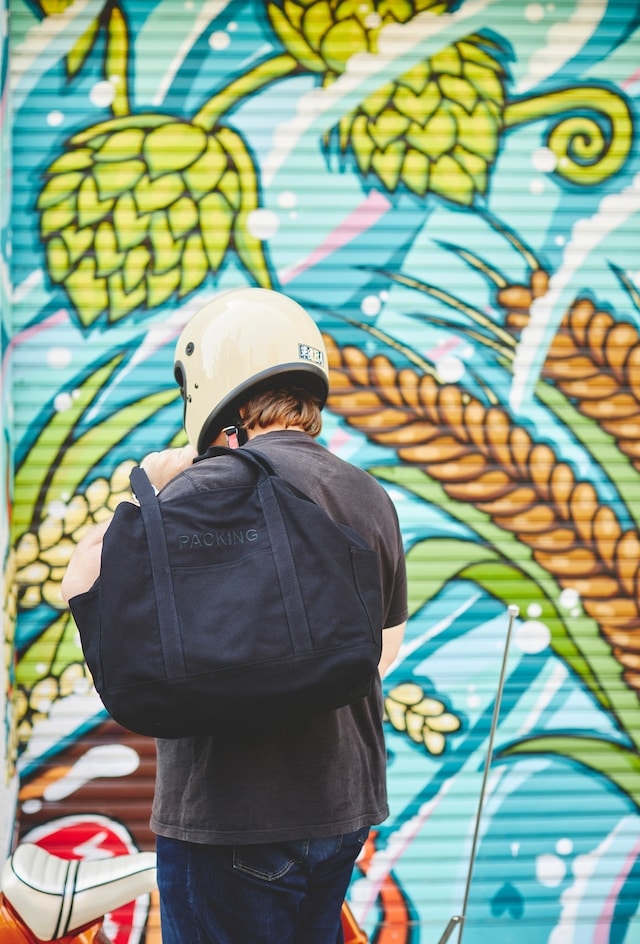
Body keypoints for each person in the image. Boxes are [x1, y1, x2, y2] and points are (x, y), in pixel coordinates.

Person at [62, 287, 408, 944]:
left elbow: (77, 582)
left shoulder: (199, 486)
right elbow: (384, 650)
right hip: (342, 809)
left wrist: (154, 485)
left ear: (215, 389)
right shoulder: (368, 495)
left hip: (229, 821)